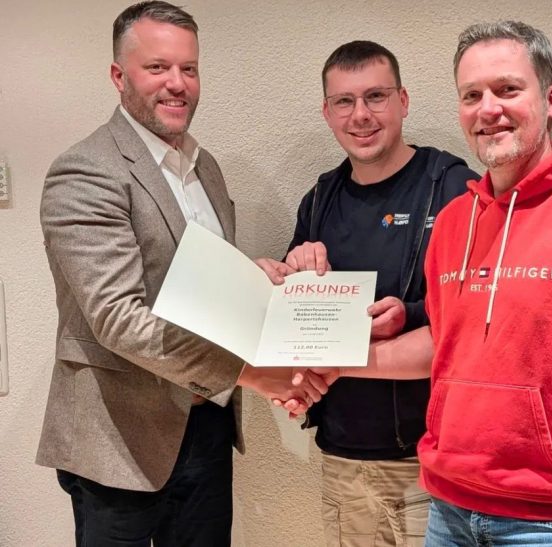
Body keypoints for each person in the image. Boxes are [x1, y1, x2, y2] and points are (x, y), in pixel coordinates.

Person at [300, 20, 552, 547]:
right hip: (447, 511)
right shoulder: (455, 221)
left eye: (507, 89)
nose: (489, 109)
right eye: (472, 95)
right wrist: (329, 363)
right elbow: (445, 344)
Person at [36, 2, 328, 546]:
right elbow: (118, 319)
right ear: (119, 76)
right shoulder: (86, 170)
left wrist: (250, 276)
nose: (177, 83)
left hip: (206, 428)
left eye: (188, 68)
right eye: (157, 67)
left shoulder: (204, 167)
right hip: (119, 442)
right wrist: (252, 374)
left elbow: (190, 282)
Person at [259, 40, 477, 546]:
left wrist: (411, 312)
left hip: (433, 462)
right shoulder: (320, 199)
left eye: (375, 96)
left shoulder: (452, 188)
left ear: (403, 101)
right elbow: (298, 329)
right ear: (327, 112)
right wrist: (291, 272)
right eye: (344, 101)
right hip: (344, 459)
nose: (360, 115)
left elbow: (477, 318)